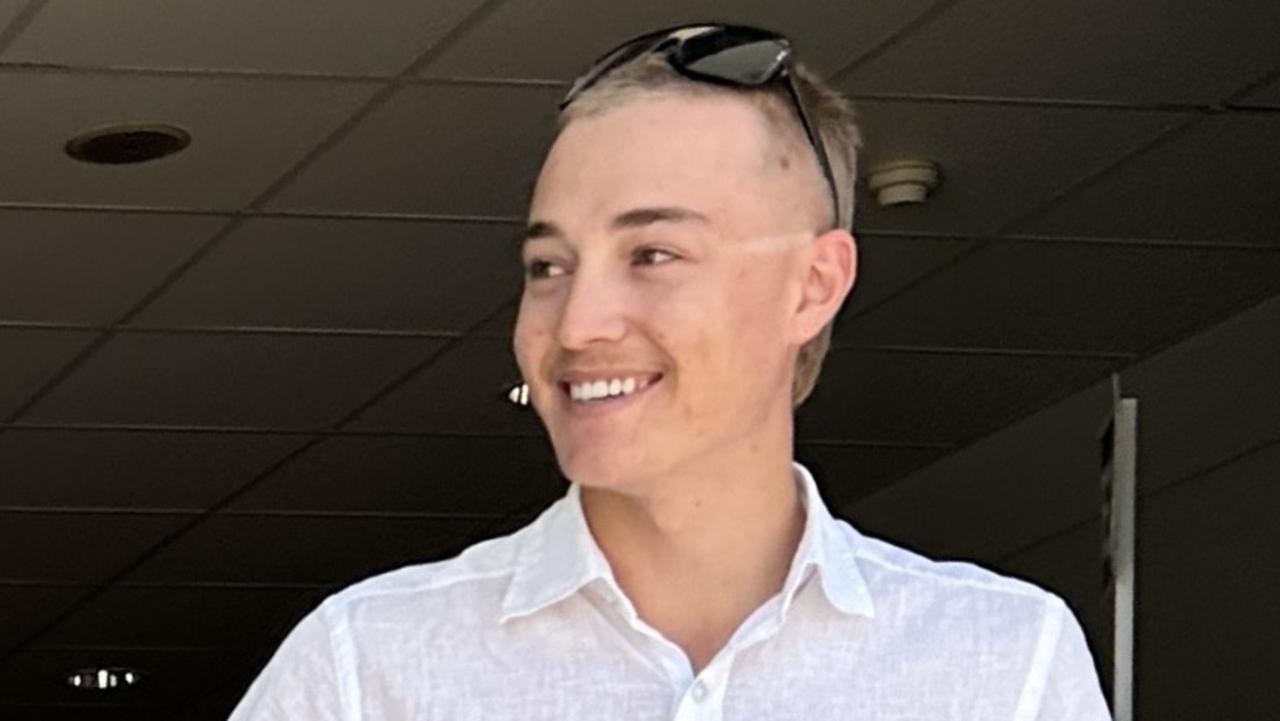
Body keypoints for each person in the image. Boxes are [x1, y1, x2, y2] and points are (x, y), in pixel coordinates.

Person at [230, 24, 1111, 720]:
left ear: (814, 285)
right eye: (549, 266)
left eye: (652, 253)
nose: (577, 323)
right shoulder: (366, 665)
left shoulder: (1001, 662)